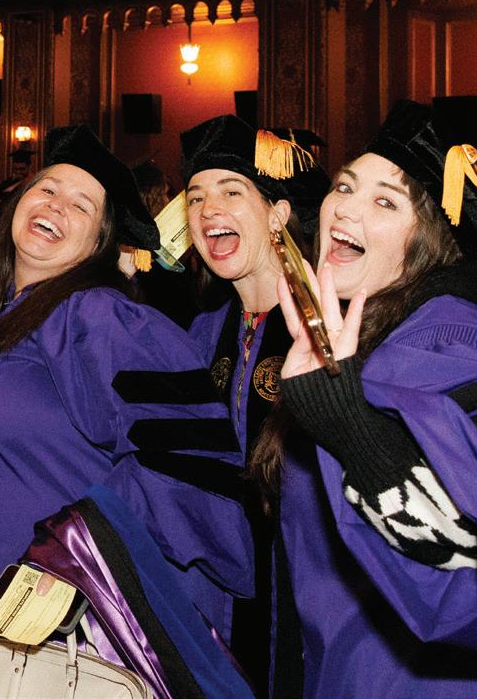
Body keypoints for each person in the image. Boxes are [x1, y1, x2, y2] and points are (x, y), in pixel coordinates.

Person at [0, 124, 250, 695]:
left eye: (81, 205)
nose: (56, 206)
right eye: (47, 188)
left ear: (101, 241)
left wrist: (73, 553)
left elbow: (178, 460)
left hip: (65, 625)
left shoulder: (100, 317)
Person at [258, 100, 477, 697]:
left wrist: (350, 422)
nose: (345, 209)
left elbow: (463, 574)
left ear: (429, 242)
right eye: (344, 186)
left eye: (386, 202)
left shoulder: (449, 339)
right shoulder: (370, 328)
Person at [178, 115, 327, 692]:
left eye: (231, 191)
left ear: (277, 214)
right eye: (195, 197)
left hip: (306, 602)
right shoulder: (197, 336)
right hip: (214, 603)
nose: (207, 208)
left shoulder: (326, 331)